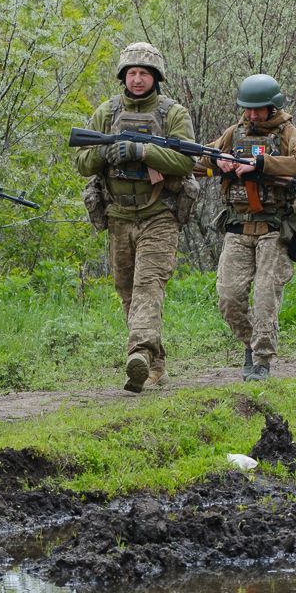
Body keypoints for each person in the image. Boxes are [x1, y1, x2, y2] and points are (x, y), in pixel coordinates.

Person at [75, 42, 196, 392]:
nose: (138, 79)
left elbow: (187, 161)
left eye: (144, 73)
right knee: (126, 290)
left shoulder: (172, 114)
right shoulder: (107, 112)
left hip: (159, 213)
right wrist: (107, 152)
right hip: (119, 215)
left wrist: (143, 151)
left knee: (148, 285)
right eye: (132, 73)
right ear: (123, 77)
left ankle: (139, 354)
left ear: (155, 77)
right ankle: (155, 364)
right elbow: (82, 162)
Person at [206, 74, 296, 381]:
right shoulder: (234, 133)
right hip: (238, 226)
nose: (252, 115)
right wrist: (220, 161)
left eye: (259, 109)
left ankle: (262, 360)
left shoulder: (289, 133)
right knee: (228, 296)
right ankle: (250, 345)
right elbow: (203, 158)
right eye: (248, 109)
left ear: (273, 107)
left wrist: (263, 164)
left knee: (266, 296)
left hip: (273, 226)